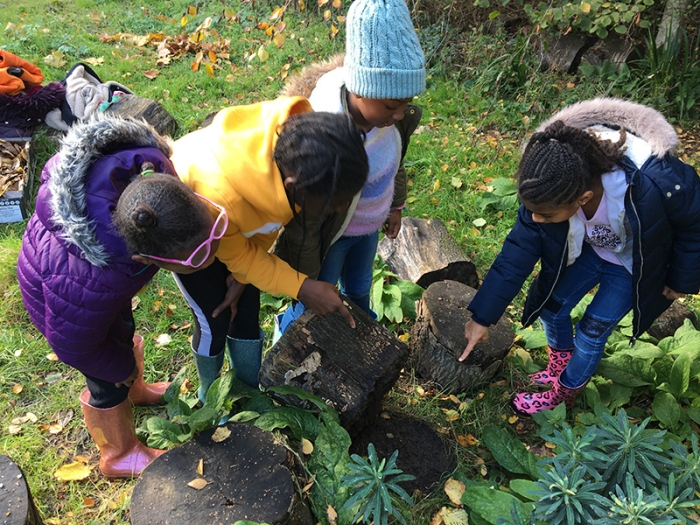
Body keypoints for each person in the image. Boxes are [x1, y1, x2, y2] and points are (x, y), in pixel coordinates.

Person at [459, 98, 700, 415]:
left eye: (545, 215)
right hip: (592, 252)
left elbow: (693, 223)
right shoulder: (548, 186)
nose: (537, 220)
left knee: (590, 333)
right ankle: (559, 365)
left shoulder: (654, 181)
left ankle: (564, 393)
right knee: (552, 308)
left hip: (631, 268)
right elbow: (515, 255)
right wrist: (482, 316)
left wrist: (680, 278)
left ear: (583, 197)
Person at [129, 97, 369, 401]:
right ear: (297, 186)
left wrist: (243, 277)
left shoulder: (298, 163)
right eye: (336, 201)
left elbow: (262, 227)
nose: (342, 206)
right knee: (214, 317)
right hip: (192, 243)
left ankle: (245, 392)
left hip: (233, 231)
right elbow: (243, 248)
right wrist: (303, 288)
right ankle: (209, 394)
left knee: (245, 313)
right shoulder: (221, 195)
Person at [16, 115, 193, 478]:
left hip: (89, 294)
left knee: (121, 332)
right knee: (107, 379)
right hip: (65, 308)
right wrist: (120, 370)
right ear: (143, 257)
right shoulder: (95, 280)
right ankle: (119, 454)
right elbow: (75, 346)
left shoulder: (139, 181)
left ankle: (135, 389)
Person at [272, 0, 425, 334]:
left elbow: (395, 164)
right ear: (362, 89)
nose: (399, 114)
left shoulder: (389, 120)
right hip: (333, 236)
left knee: (359, 287)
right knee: (320, 295)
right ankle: (287, 339)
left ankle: (358, 335)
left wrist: (395, 206)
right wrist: (303, 278)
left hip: (368, 229)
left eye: (406, 105)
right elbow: (306, 220)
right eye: (391, 105)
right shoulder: (328, 131)